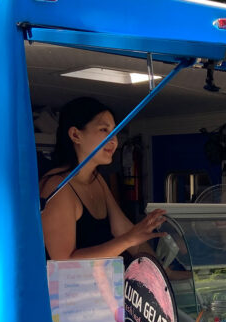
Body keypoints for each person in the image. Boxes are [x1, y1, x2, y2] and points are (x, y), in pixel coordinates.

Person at [40, 97, 166, 260]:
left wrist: (162, 271)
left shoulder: (96, 179)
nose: (113, 140)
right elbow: (64, 260)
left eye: (114, 131)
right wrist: (128, 240)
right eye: (104, 130)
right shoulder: (57, 187)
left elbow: (125, 231)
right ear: (75, 135)